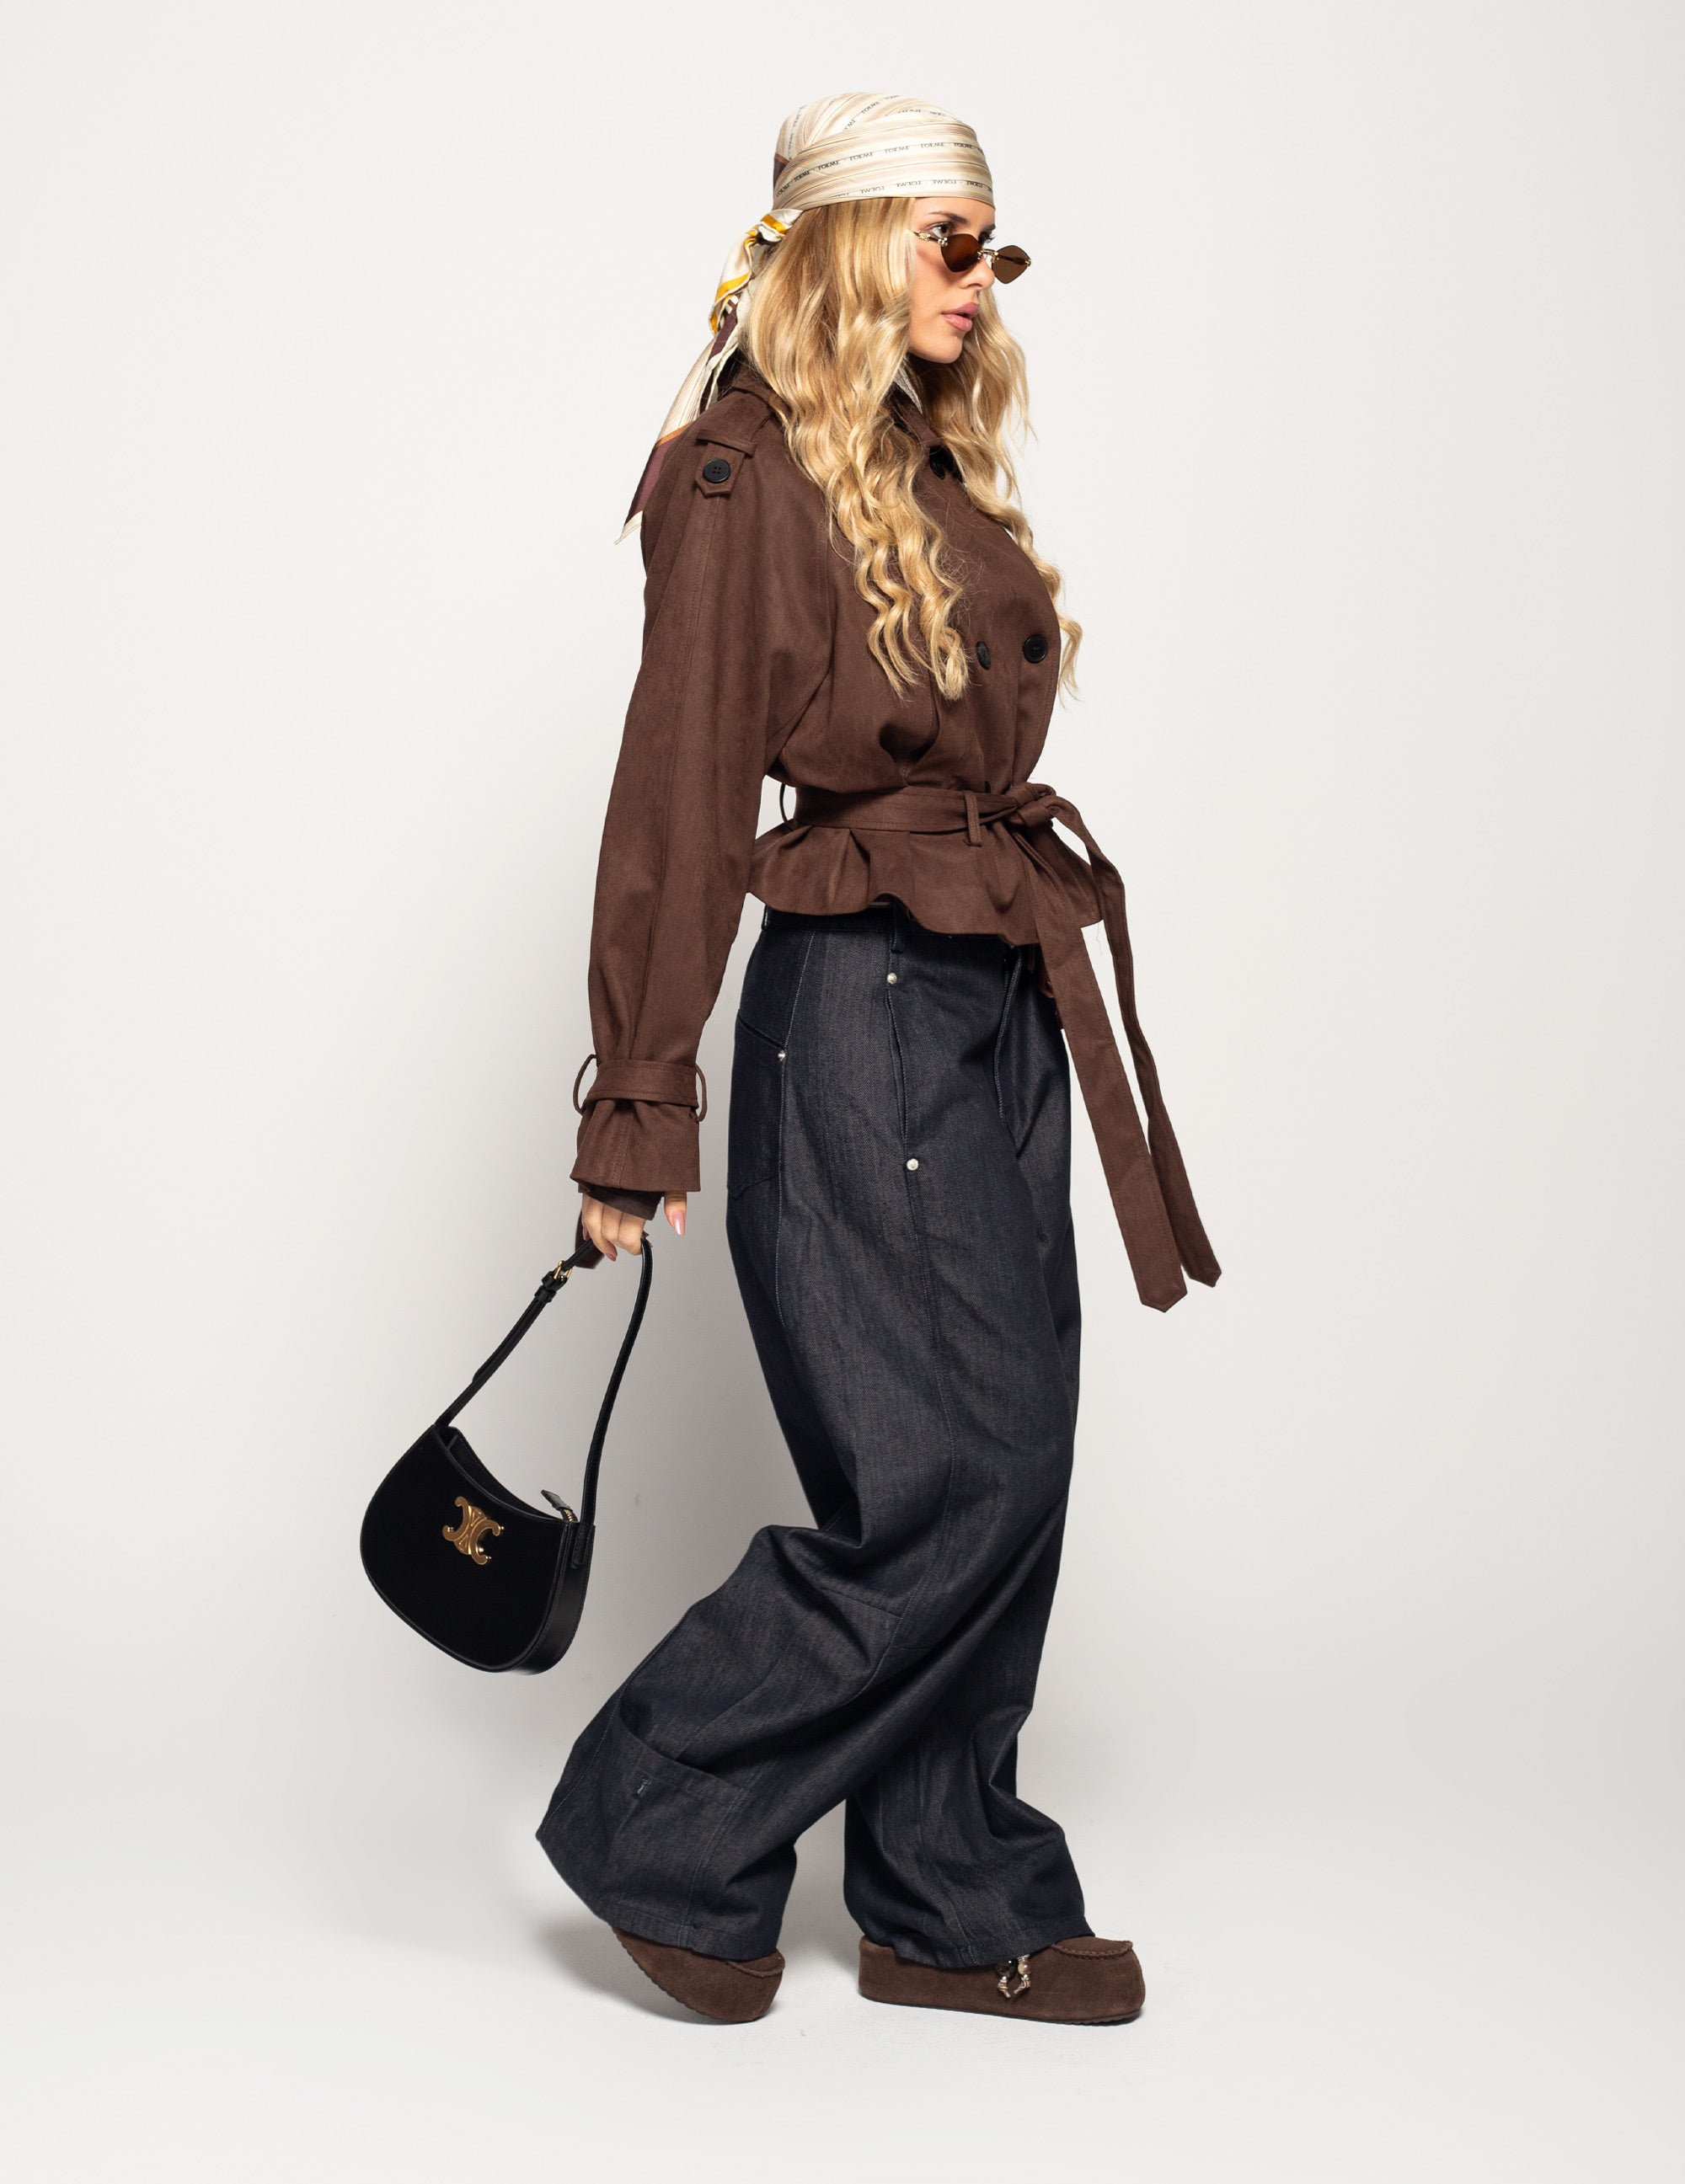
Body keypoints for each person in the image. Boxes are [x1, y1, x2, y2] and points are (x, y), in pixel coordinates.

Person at [538, 92, 1218, 2026]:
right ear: (843, 244)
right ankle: (659, 1821)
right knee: (953, 1474)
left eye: (993, 249)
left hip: (991, 988)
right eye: (948, 241)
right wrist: (637, 1105)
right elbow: (676, 797)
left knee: (1015, 1455)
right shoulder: (741, 478)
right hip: (870, 1006)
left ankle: (942, 1888)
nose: (980, 283)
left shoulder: (924, 463)